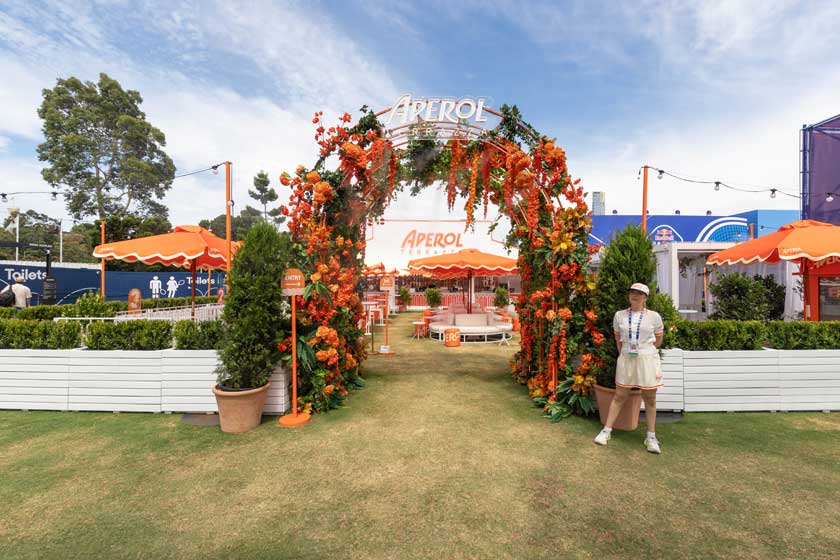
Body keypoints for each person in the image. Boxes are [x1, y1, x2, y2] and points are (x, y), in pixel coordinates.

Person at [594, 282, 665, 454]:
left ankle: (651, 436)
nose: (634, 295)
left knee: (650, 399)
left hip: (647, 359)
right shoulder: (619, 315)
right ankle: (606, 431)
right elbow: (618, 339)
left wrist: (644, 351)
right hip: (626, 358)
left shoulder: (654, 317)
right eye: (632, 292)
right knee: (619, 395)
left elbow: (659, 340)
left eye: (639, 293)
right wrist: (624, 354)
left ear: (646, 297)